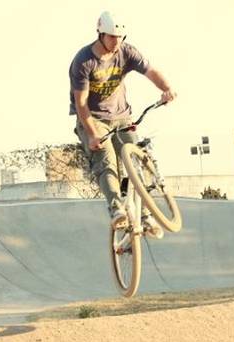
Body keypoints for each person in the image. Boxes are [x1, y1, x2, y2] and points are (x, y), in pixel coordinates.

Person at [69, 10, 176, 236]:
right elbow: (81, 104)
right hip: (93, 119)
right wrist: (91, 134)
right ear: (100, 34)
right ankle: (116, 208)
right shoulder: (83, 61)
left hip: (122, 117)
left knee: (137, 161)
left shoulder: (126, 52)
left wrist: (166, 89)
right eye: (112, 38)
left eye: (120, 38)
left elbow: (151, 71)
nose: (116, 42)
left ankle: (146, 216)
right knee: (106, 160)